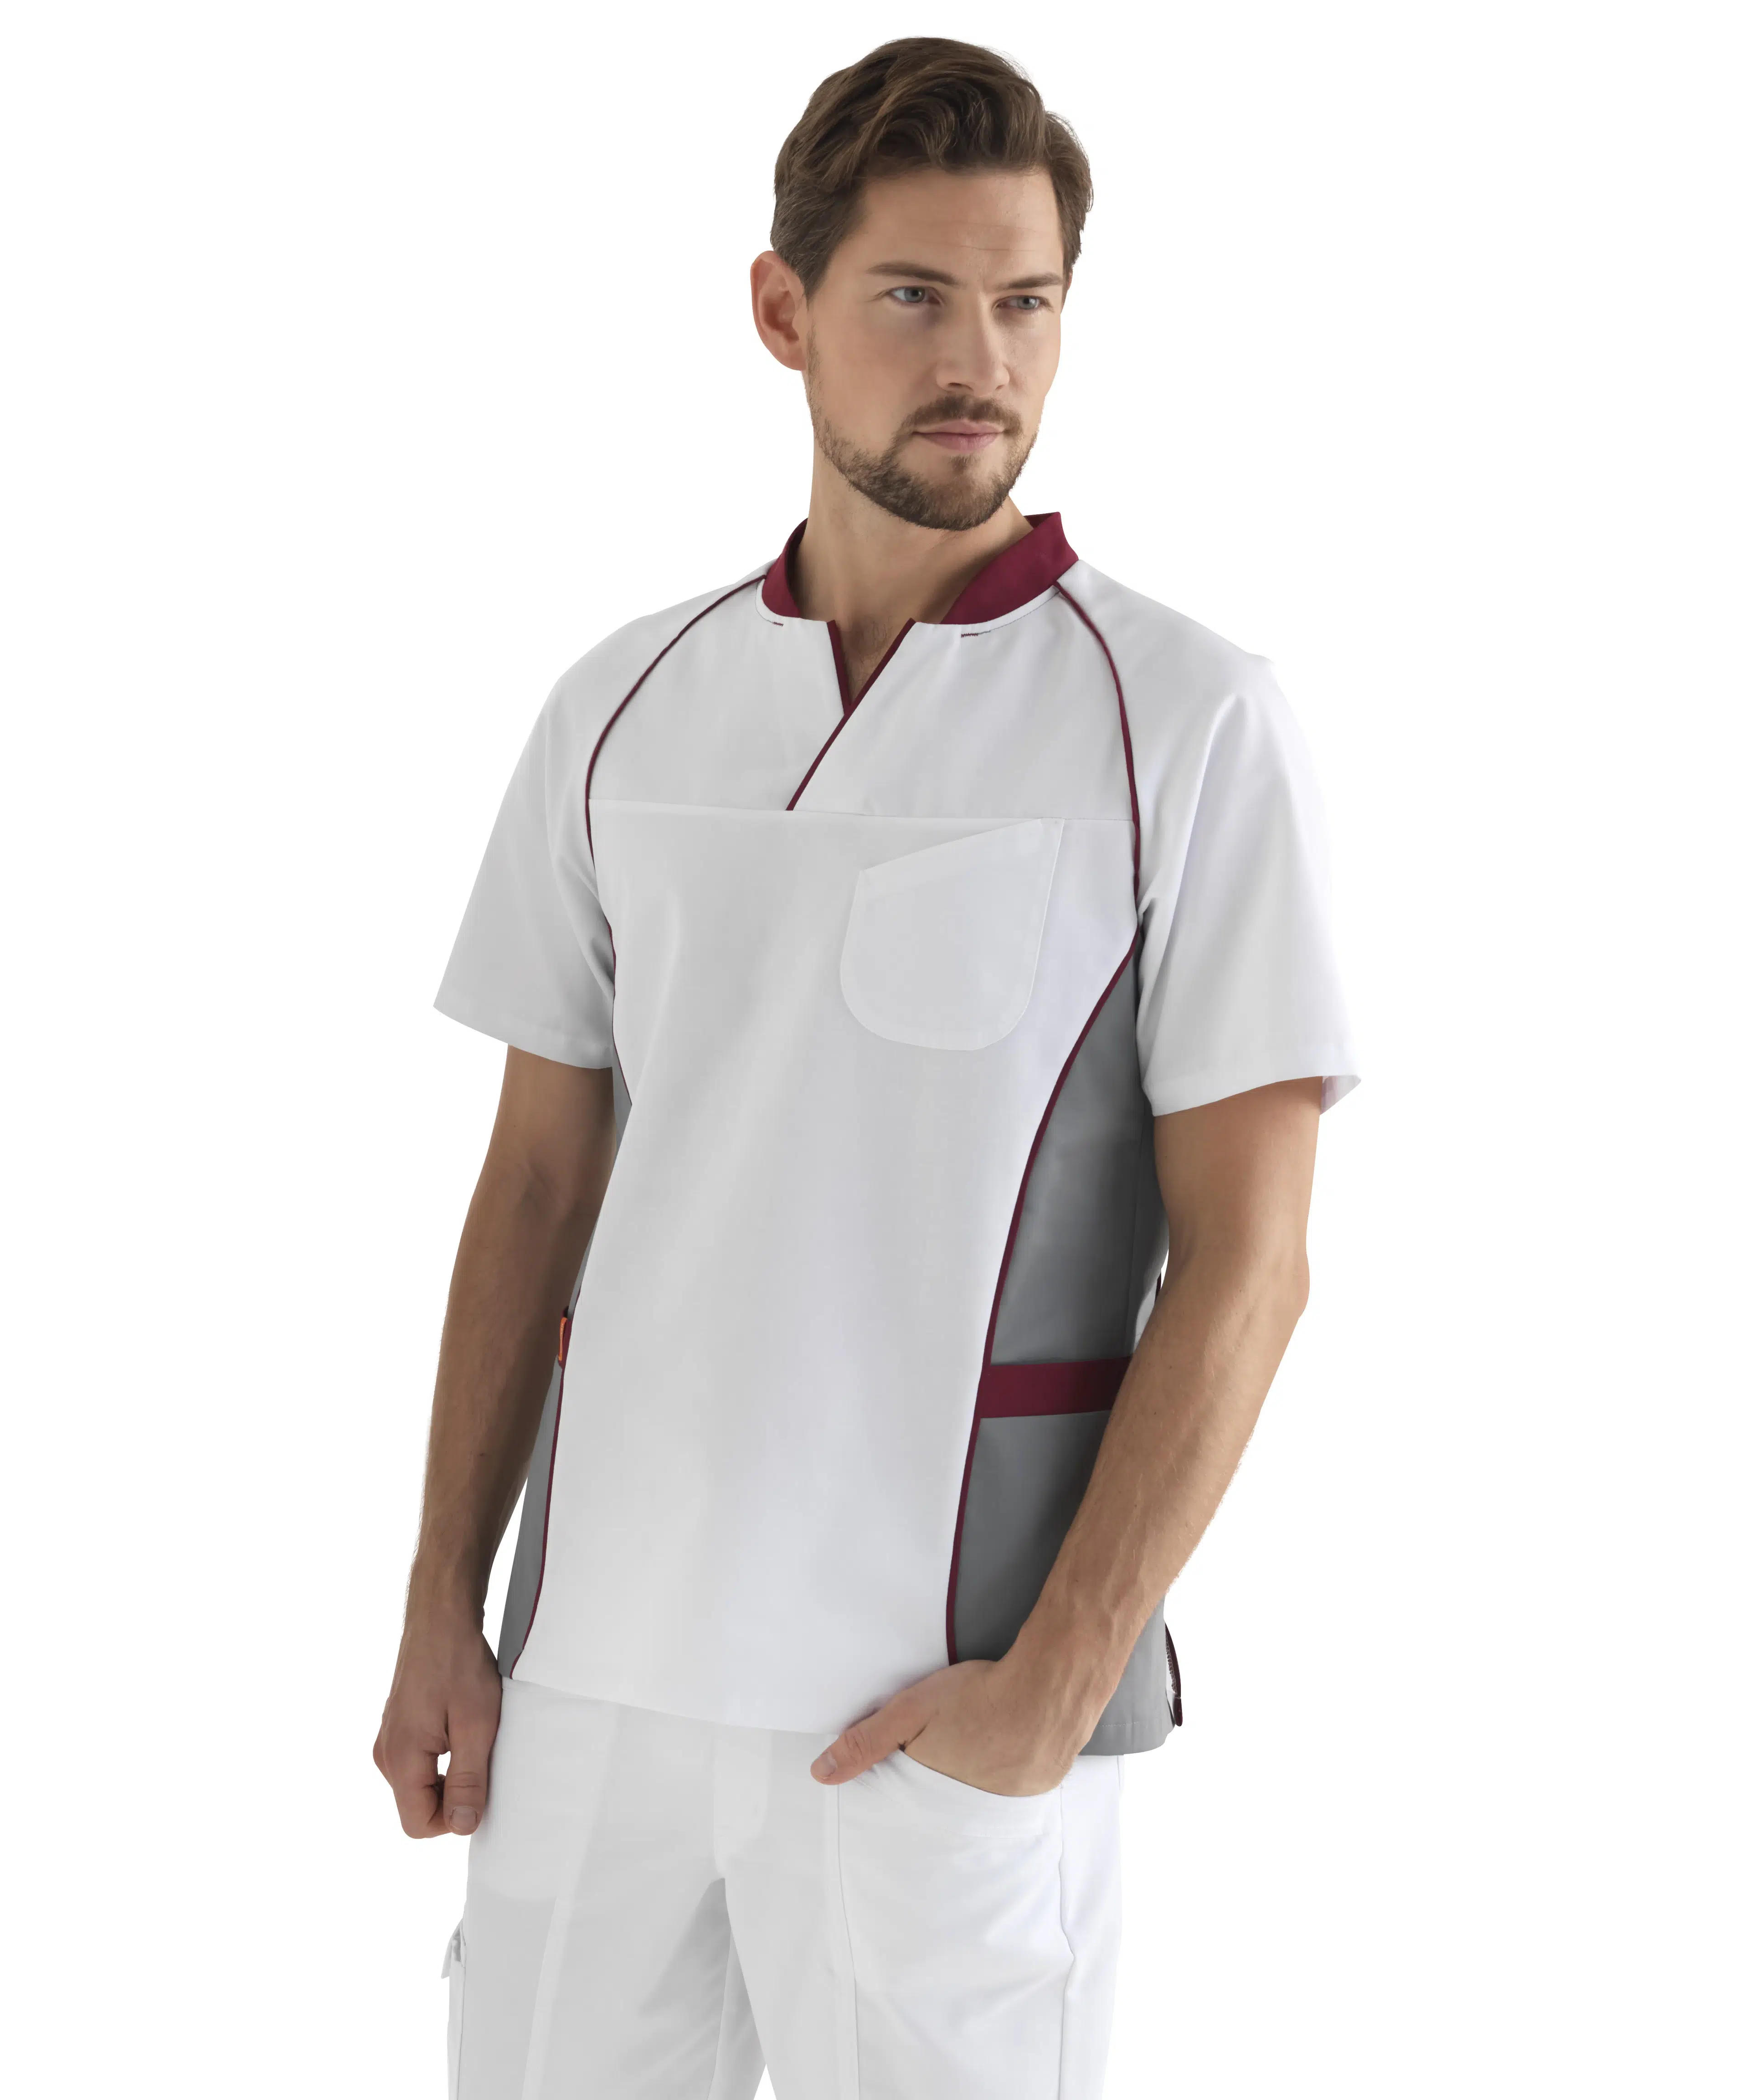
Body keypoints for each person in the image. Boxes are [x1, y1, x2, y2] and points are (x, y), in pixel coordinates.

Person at [374, 35, 1359, 2100]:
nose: (979, 360)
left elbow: (1252, 1261)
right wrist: (444, 1607)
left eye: (1027, 302)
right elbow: (536, 1184)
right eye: (915, 295)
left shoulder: (1184, 719)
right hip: (593, 1696)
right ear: (783, 309)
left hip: (936, 1709)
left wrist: (1057, 1682)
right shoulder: (621, 705)